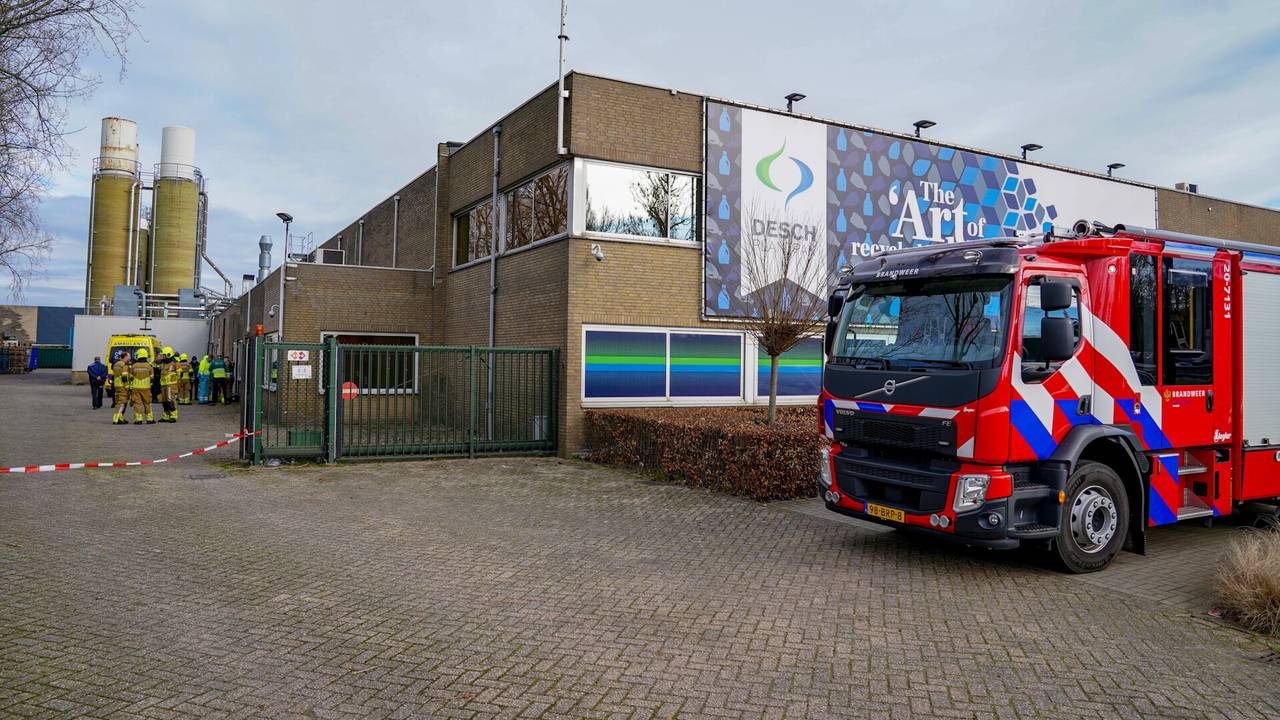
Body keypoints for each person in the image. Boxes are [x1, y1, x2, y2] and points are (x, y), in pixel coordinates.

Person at [128, 348, 155, 424]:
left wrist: (130, 387)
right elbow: (152, 378)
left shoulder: (134, 366)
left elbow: (130, 377)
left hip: (136, 388)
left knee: (137, 404)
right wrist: (150, 385)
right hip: (146, 388)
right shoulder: (149, 366)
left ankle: (138, 420)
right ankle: (149, 419)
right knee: (147, 403)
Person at [158, 346, 179, 423]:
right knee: (164, 401)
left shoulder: (175, 363)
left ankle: (173, 416)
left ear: (168, 355)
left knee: (171, 400)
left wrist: (175, 382)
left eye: (164, 355)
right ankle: (165, 416)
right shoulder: (163, 363)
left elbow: (179, 374)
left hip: (171, 385)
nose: (162, 357)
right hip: (163, 385)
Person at [111, 351, 131, 424]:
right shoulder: (124, 365)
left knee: (119, 402)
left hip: (117, 385)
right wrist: (127, 387)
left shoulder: (116, 364)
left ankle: (120, 418)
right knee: (122, 403)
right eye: (129, 356)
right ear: (125, 357)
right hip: (122, 386)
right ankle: (116, 419)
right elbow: (124, 377)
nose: (130, 358)